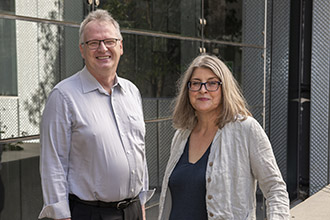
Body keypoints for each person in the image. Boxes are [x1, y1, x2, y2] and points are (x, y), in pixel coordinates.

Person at [39, 9, 153, 220]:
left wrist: (141, 206)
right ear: (82, 50)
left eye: (109, 41)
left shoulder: (132, 92)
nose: (102, 48)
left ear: (121, 46)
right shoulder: (63, 96)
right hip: (90, 213)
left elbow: (139, 151)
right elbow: (53, 164)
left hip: (134, 210)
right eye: (93, 43)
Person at [158, 54, 290, 220]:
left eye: (212, 83)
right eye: (196, 83)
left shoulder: (246, 129)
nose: (203, 89)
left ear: (224, 88)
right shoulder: (181, 135)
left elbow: (274, 189)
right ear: (188, 90)